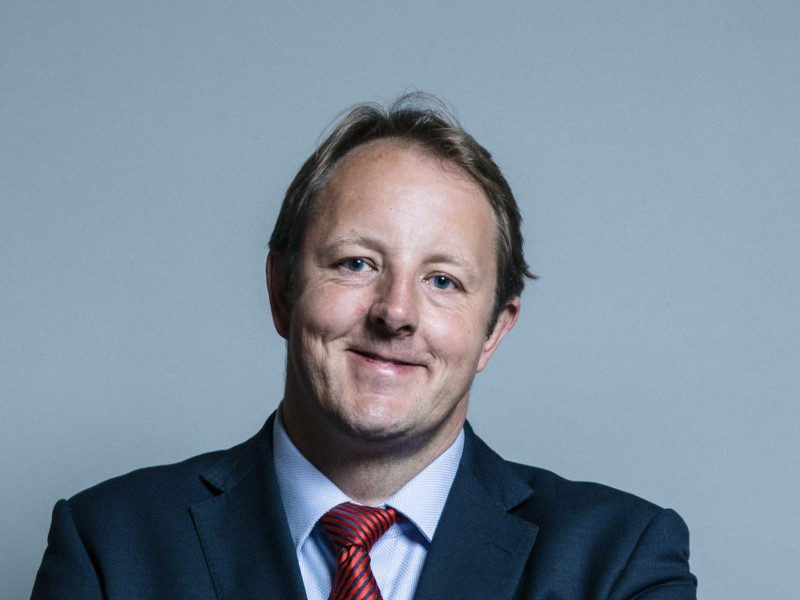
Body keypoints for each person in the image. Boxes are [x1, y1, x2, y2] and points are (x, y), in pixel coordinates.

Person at [32, 93, 697, 599]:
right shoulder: (109, 548)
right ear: (282, 291)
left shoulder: (617, 562)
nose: (396, 313)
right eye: (356, 264)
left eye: (443, 280)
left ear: (494, 330)